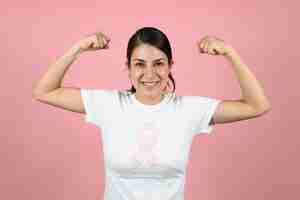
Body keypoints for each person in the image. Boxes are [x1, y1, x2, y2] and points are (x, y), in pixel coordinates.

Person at [32, 27, 271, 200]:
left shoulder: (188, 110)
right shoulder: (109, 105)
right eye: (140, 64)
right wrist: (78, 48)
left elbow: (257, 105)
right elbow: (44, 91)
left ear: (170, 66)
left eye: (158, 63)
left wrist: (230, 53)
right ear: (128, 68)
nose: (150, 73)